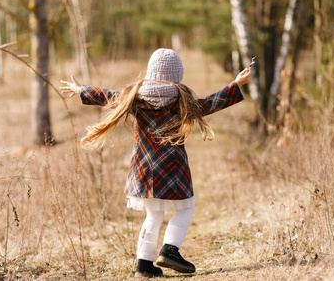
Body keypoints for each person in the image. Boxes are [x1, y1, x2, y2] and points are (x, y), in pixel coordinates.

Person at [60, 48, 251, 278]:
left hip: (144, 167)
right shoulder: (182, 99)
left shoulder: (135, 96)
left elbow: (109, 96)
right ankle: (170, 250)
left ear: (151, 71)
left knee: (153, 216)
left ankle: (144, 265)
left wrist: (82, 89)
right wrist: (235, 85)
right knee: (186, 207)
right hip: (173, 167)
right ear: (177, 75)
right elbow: (208, 104)